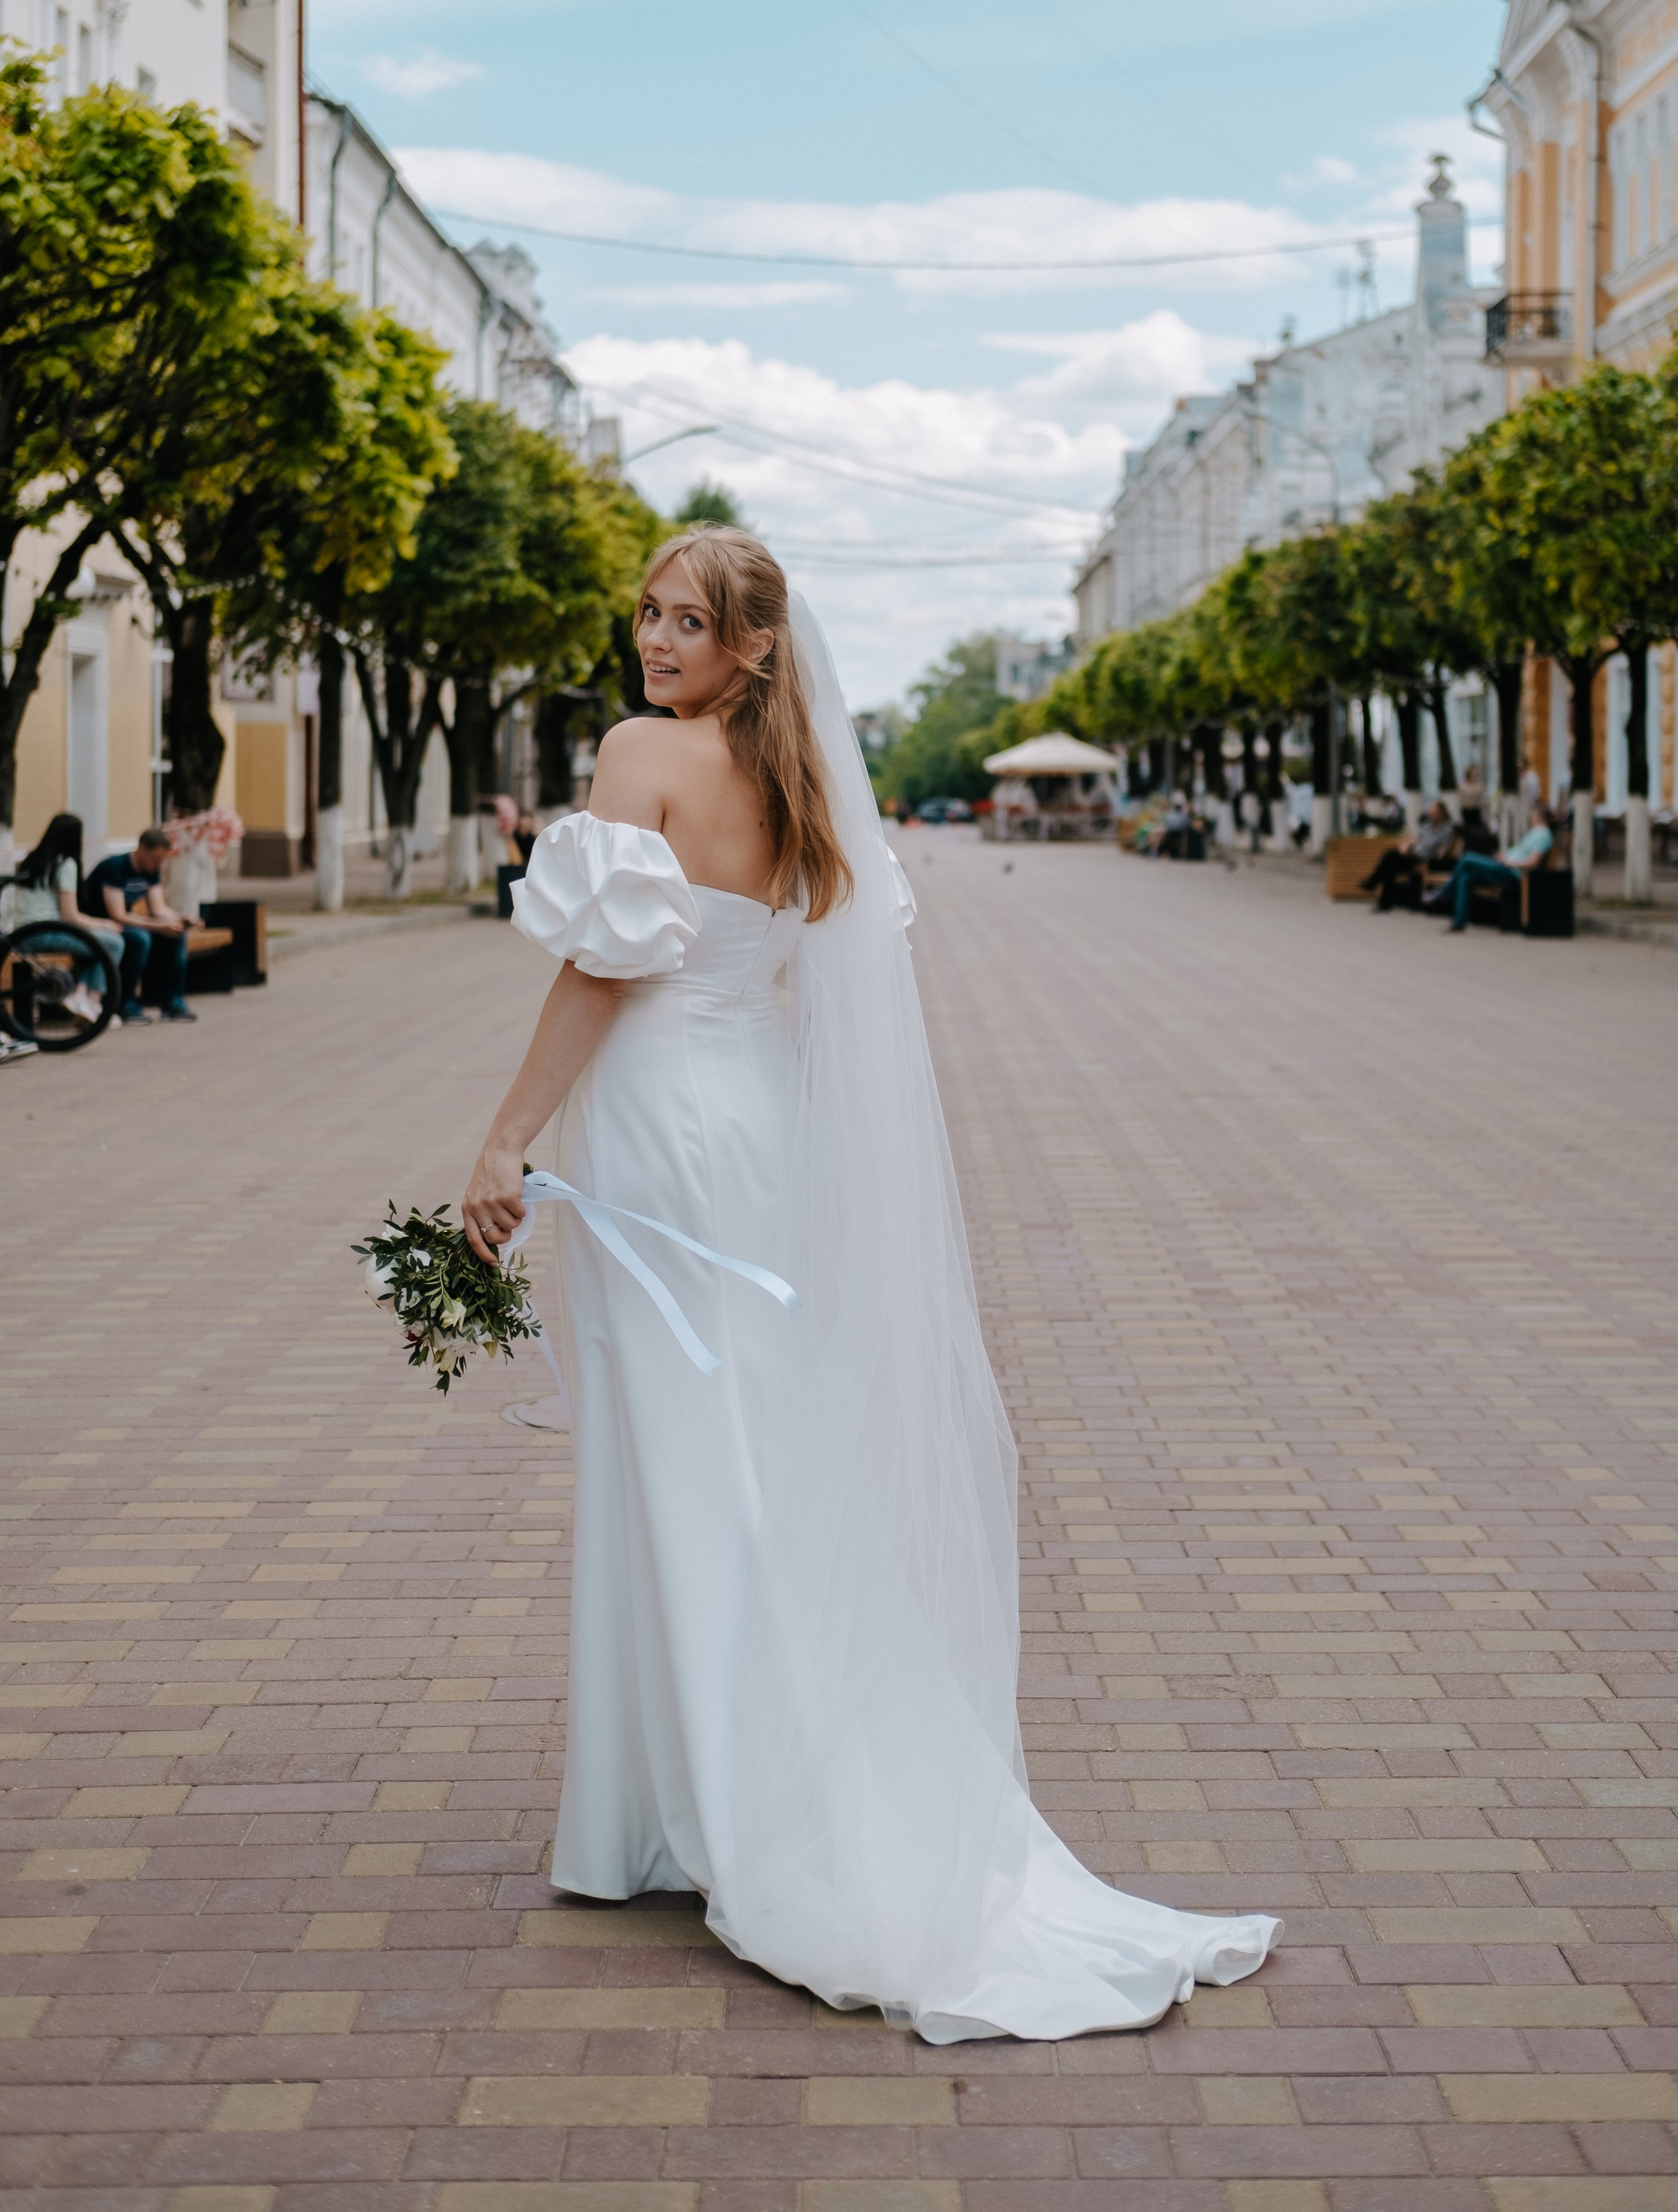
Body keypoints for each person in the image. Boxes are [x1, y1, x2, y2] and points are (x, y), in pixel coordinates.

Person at [462, 528, 1278, 2043]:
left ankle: (718, 1809)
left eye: (687, 623)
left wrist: (505, 1136)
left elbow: (594, 972)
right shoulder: (806, 787)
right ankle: (695, 1794)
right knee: (753, 1449)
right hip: (752, 1126)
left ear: (753, 647)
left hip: (655, 1134)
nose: (653, 643)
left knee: (689, 1462)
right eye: (646, 615)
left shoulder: (642, 754)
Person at [9, 813, 125, 1022]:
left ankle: (81, 996)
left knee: (96, 945)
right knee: (113, 943)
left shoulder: (33, 858)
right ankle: (93, 1000)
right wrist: (105, 924)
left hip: (22, 933)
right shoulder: (66, 864)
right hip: (44, 934)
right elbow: (71, 916)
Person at [79, 826, 199, 1021]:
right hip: (99, 925)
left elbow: (158, 909)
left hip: (121, 925)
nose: (158, 865)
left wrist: (180, 919)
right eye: (155, 859)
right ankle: (125, 1003)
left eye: (162, 860)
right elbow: (118, 915)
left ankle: (172, 1003)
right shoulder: (114, 867)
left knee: (177, 935)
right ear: (142, 849)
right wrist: (160, 926)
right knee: (139, 939)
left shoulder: (152, 870)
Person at [1427, 811, 1555, 932]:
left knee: (1467, 858)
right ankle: (1459, 922)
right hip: (1504, 865)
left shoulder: (1543, 835)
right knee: (1465, 877)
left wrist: (1508, 862)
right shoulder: (1534, 832)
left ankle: (1445, 893)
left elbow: (1533, 863)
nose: (1530, 816)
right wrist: (1504, 857)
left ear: (1539, 816)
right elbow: (1520, 853)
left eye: (1532, 813)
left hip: (1512, 872)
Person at [1359, 798, 1457, 912]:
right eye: (1431, 812)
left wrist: (1433, 853)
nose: (1431, 815)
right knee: (1390, 858)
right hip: (1413, 855)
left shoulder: (1447, 829)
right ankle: (1382, 898)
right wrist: (1408, 846)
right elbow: (1418, 841)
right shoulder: (1427, 826)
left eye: (1434, 812)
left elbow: (1442, 853)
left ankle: (1375, 887)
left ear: (1442, 813)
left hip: (1424, 860)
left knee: (1390, 859)